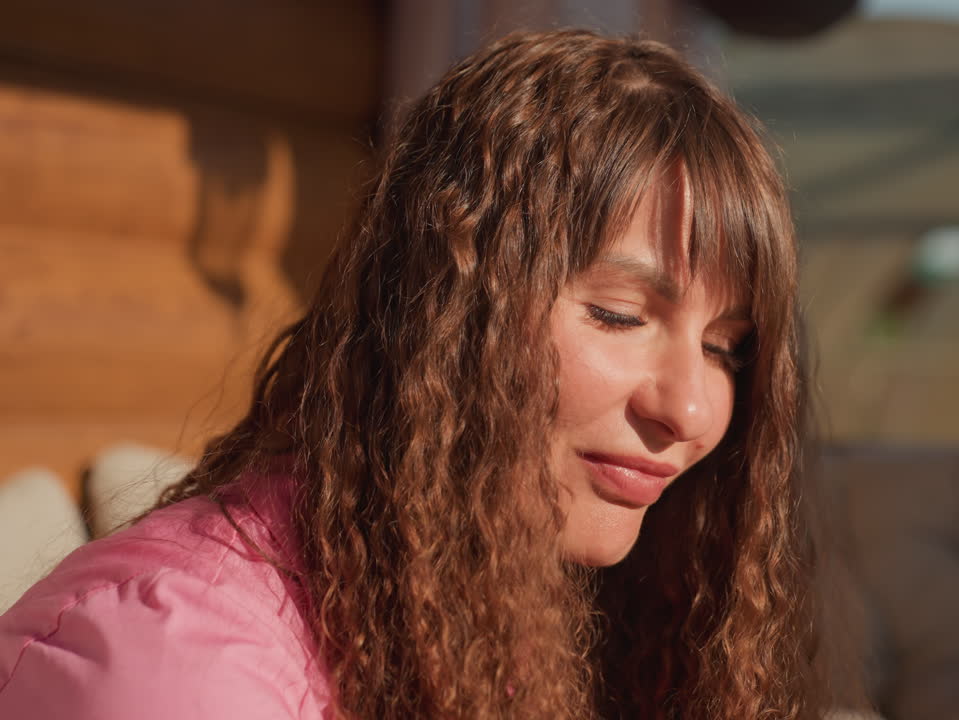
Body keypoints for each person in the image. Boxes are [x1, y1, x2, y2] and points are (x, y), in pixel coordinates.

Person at [0, 29, 822, 719]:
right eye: (619, 314)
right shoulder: (175, 673)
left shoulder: (487, 601)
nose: (689, 407)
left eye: (726, 349)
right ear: (444, 309)